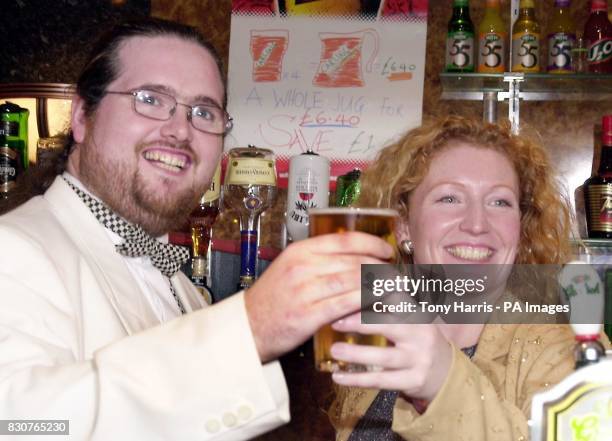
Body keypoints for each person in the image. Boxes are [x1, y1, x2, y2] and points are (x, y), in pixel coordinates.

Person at [0, 18, 394, 440]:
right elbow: (23, 425)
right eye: (150, 99)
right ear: (81, 116)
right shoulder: (12, 250)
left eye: (204, 112)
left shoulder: (180, 286)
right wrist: (250, 327)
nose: (180, 130)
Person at [327, 115, 596, 440]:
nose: (477, 224)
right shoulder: (376, 339)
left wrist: (443, 381)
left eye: (500, 201)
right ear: (403, 226)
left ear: (521, 230)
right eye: (449, 198)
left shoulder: (566, 352)